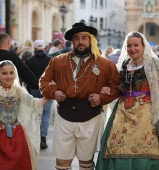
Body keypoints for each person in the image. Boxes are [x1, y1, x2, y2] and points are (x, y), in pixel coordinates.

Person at [39, 22, 120, 170]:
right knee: (62, 163)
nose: (80, 42)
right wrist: (54, 92)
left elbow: (116, 86)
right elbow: (43, 82)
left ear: (90, 40)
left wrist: (101, 98)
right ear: (72, 41)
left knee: (86, 163)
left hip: (91, 116)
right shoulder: (57, 62)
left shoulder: (105, 64)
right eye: (77, 38)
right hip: (64, 115)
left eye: (84, 38)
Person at [96, 31, 159, 170]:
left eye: (136, 45)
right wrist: (107, 90)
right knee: (116, 144)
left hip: (146, 113)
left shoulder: (154, 64)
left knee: (144, 144)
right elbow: (118, 87)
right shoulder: (124, 65)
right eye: (129, 45)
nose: (132, 49)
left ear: (143, 46)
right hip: (123, 112)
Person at [0, 60, 49, 170]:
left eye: (11, 73)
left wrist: (51, 95)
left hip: (17, 136)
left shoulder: (18, 91)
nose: (8, 76)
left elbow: (35, 104)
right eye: (4, 73)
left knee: (21, 165)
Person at [25, 39, 53, 150]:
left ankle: (35, 137)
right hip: (47, 90)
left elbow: (25, 76)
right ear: (45, 48)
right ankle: (43, 137)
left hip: (34, 89)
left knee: (35, 114)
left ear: (35, 48)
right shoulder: (50, 60)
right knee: (46, 114)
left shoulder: (29, 60)